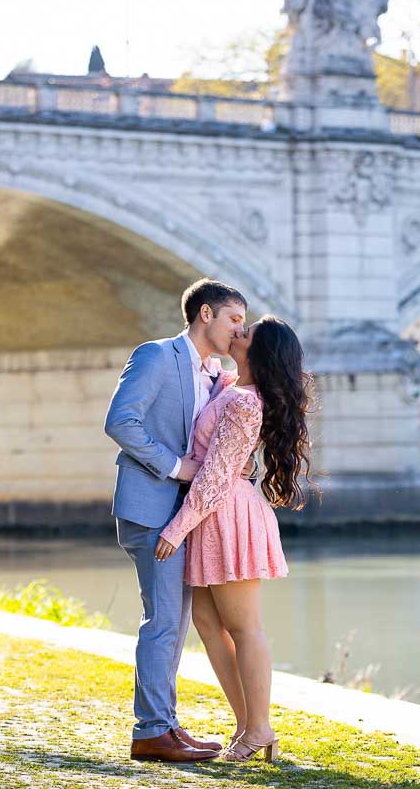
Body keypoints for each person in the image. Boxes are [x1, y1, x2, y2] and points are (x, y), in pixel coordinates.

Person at [155, 314, 313, 763]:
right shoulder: (229, 386)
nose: (236, 334)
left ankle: (259, 727)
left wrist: (176, 527)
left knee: (245, 628)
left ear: (258, 353)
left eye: (245, 334)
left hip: (225, 515)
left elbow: (217, 475)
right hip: (211, 515)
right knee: (208, 626)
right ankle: (250, 725)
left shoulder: (246, 402)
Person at [104, 278, 247, 763]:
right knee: (164, 622)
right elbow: (122, 420)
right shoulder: (156, 356)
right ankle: (151, 732)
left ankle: (164, 725)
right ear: (205, 314)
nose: (238, 330)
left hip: (185, 515)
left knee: (175, 621)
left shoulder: (217, 374)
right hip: (150, 507)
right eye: (234, 319)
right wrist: (175, 466)